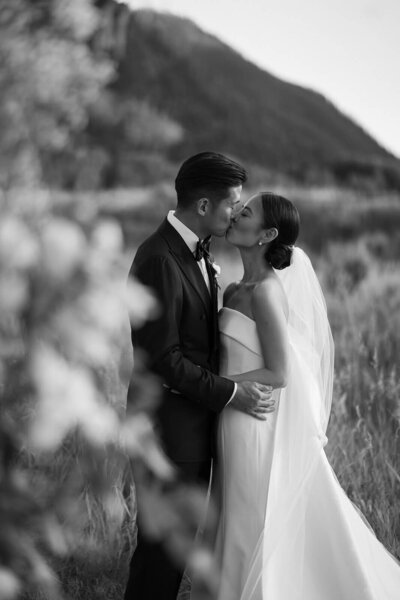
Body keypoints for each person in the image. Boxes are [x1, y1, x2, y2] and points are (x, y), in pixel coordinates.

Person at [201, 191, 400, 600]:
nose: (237, 213)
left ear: (267, 234)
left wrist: (215, 385)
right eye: (240, 208)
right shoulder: (235, 288)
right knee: (232, 512)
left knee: (251, 514)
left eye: (247, 212)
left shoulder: (265, 293)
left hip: (251, 418)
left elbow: (279, 371)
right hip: (230, 413)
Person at [124, 153, 275, 600]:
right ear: (205, 206)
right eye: (233, 203)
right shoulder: (159, 258)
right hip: (167, 431)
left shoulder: (198, 254)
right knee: (160, 555)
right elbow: (164, 359)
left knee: (176, 550)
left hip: (191, 426)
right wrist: (233, 394)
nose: (237, 211)